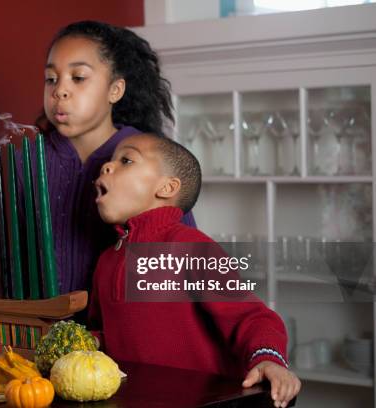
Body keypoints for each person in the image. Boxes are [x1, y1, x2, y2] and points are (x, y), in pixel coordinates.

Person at [88, 133, 301, 408]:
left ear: (167, 187)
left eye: (126, 160)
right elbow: (103, 334)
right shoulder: (107, 260)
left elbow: (249, 316)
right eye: (108, 160)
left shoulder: (189, 246)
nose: (106, 166)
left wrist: (269, 359)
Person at [17, 20, 195, 295]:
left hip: (123, 331)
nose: (59, 91)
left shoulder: (150, 160)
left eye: (78, 77)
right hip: (35, 332)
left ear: (115, 90)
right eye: (51, 78)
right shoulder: (24, 161)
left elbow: (184, 261)